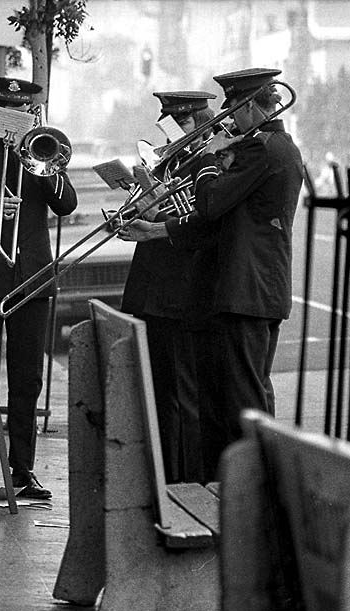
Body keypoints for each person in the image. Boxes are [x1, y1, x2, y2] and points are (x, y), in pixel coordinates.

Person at [118, 68, 303, 482]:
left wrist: (206, 159)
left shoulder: (264, 149)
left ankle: (254, 494)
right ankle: (227, 491)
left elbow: (213, 202)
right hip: (245, 289)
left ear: (252, 106)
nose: (230, 122)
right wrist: (155, 227)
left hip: (248, 289)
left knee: (243, 404)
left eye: (235, 111)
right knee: (230, 401)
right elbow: (214, 220)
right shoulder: (263, 146)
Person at [0, 77, 78, 499]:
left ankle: (22, 468)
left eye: (22, 112)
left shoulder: (41, 154)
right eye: (5, 111)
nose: (13, 118)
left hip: (32, 280)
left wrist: (46, 162)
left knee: (28, 379)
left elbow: (67, 205)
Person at [118, 91, 217, 484]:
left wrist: (159, 209)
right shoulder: (170, 160)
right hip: (150, 290)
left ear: (195, 123)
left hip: (179, 291)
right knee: (159, 393)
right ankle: (162, 474)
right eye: (167, 124)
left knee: (180, 396)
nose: (169, 131)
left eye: (177, 124)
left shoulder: (206, 163)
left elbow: (198, 222)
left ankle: (182, 479)